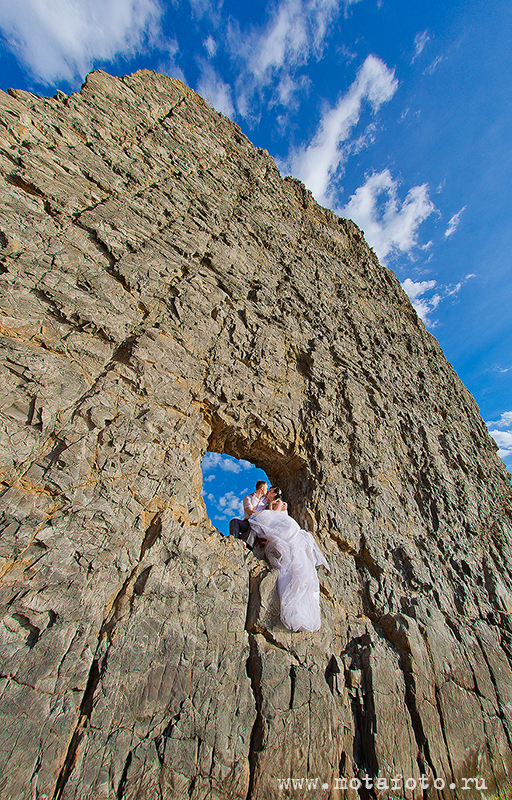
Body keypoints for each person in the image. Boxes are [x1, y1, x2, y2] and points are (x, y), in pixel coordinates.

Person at [248, 502, 329, 632]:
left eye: (270, 490)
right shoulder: (274, 504)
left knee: (293, 564)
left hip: (288, 529)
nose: (268, 492)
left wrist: (270, 508)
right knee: (296, 565)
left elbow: (273, 516)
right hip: (286, 529)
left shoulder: (277, 503)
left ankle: (296, 608)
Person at [229, 481, 276, 546]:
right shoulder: (248, 498)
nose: (267, 490)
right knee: (234, 521)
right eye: (266, 488)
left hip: (259, 524)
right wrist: (263, 513)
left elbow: (274, 500)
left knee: (255, 526)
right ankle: (235, 541)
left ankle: (247, 544)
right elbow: (250, 512)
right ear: (261, 488)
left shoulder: (266, 499)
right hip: (248, 522)